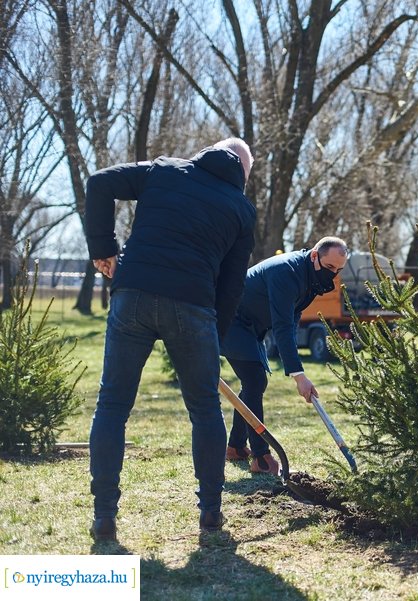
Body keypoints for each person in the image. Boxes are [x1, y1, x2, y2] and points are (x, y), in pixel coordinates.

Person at [84, 138, 256, 540]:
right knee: (205, 410)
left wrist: (103, 248)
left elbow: (99, 182)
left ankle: (104, 514)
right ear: (243, 174)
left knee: (112, 403)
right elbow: (231, 287)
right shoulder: (241, 209)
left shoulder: (164, 170)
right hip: (193, 307)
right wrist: (216, 337)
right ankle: (211, 511)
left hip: (134, 295)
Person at [220, 237, 349, 475]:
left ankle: (236, 446)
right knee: (255, 380)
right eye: (330, 267)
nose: (333, 274)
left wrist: (296, 370)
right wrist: (299, 375)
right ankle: (260, 458)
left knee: (253, 383)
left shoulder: (311, 277)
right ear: (314, 255)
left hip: (252, 326)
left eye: (339, 270)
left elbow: (292, 319)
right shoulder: (286, 272)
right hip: (231, 320)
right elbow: (281, 325)